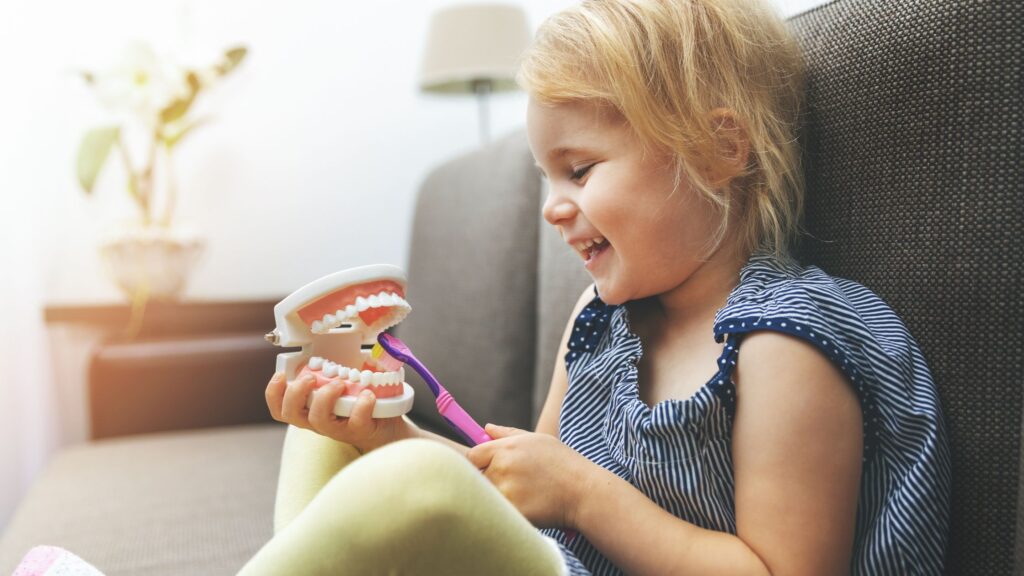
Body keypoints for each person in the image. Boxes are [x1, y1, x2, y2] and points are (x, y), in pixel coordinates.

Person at [240, 0, 951, 574]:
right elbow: (516, 494)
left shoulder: (785, 346)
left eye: (578, 170)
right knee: (323, 439)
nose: (552, 205)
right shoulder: (598, 321)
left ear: (720, 149)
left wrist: (583, 494)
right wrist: (383, 431)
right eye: (544, 177)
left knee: (408, 486)